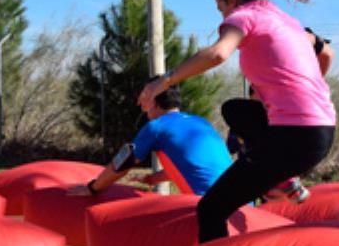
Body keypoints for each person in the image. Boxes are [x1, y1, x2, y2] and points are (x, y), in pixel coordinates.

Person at [138, 0, 336, 246]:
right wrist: (305, 88)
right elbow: (327, 52)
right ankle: (281, 180)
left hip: (293, 136)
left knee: (211, 209)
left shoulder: (244, 16)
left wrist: (163, 81)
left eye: (221, 9)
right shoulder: (288, 22)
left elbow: (218, 53)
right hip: (322, 129)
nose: (223, 17)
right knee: (236, 109)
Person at [70, 81, 232, 198]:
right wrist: (153, 179)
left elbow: (122, 164)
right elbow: (196, 166)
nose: (141, 104)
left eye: (144, 97)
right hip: (238, 199)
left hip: (212, 206)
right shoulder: (200, 122)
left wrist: (92, 189)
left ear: (154, 101)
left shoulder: (156, 127)